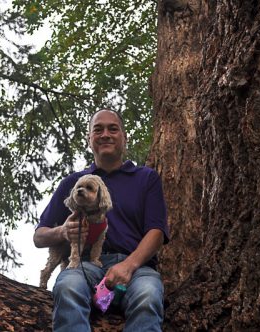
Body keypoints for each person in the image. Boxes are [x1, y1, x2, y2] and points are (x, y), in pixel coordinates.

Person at [34, 109, 169, 331]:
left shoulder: (146, 178)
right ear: (89, 140)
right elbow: (39, 237)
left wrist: (128, 266)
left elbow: (157, 232)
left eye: (112, 129)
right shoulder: (74, 183)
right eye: (98, 129)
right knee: (68, 287)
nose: (105, 134)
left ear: (124, 137)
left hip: (137, 268)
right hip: (85, 266)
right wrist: (63, 231)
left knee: (148, 296)